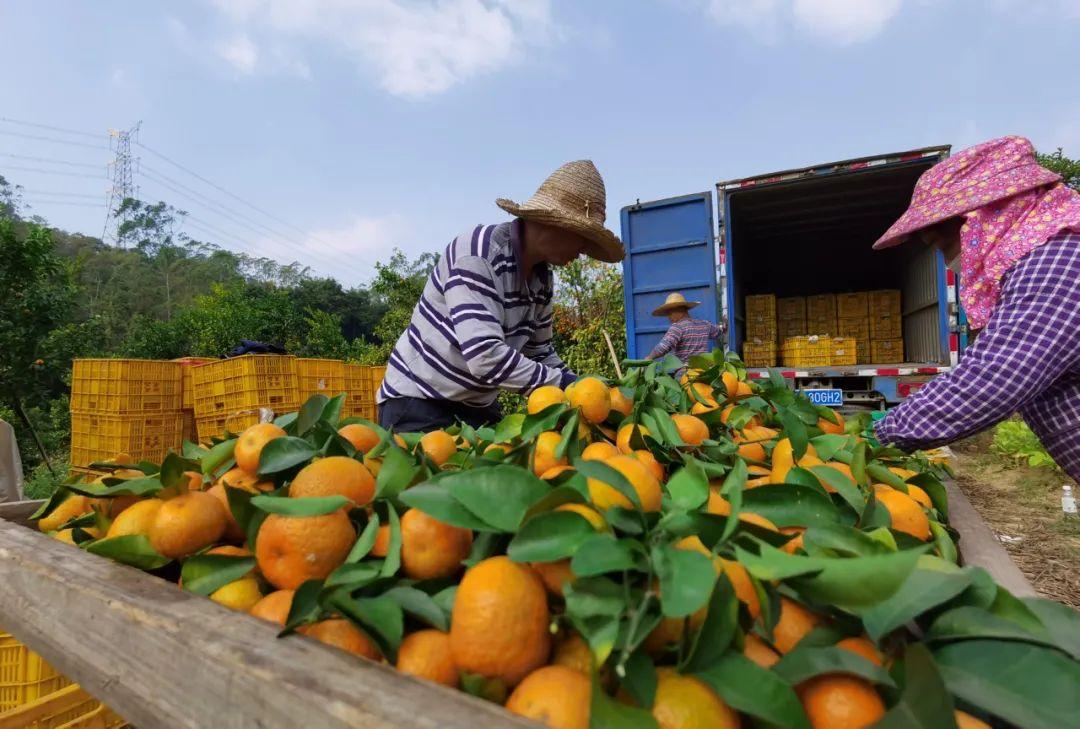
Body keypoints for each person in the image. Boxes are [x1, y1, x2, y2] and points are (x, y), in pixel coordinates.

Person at [870, 135, 1080, 480]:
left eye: (942, 243)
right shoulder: (1039, 259)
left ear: (980, 219)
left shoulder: (1058, 262)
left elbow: (993, 379)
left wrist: (876, 437)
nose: (947, 259)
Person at [377, 160, 625, 432]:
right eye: (583, 238)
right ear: (557, 225)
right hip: (420, 400)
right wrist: (570, 387)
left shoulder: (542, 279)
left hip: (477, 406)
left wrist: (588, 388)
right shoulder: (477, 254)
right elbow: (485, 356)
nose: (582, 251)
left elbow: (539, 352)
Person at [647, 292, 725, 362]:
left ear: (678, 310)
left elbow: (663, 347)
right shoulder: (705, 325)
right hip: (704, 372)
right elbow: (719, 331)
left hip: (686, 374)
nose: (669, 317)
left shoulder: (677, 328)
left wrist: (649, 357)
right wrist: (724, 327)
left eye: (669, 313)